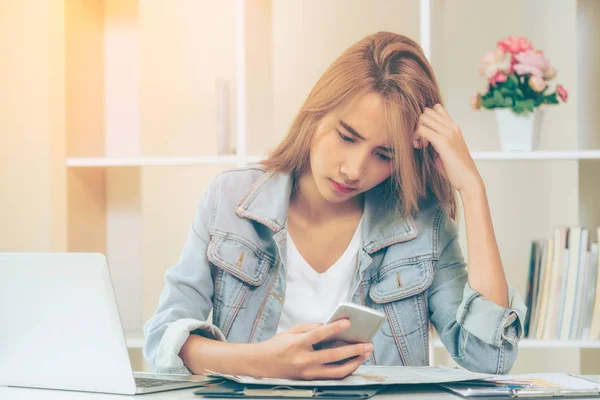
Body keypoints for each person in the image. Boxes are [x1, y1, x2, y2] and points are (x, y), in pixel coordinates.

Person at [143, 31, 526, 380]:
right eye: (347, 136)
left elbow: (489, 356)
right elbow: (164, 338)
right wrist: (262, 361)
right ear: (317, 111)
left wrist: (472, 191)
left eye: (384, 155)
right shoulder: (231, 199)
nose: (354, 169)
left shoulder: (421, 224)